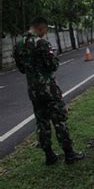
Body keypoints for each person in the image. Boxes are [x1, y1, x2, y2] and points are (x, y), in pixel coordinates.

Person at [13, 17, 85, 165]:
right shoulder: (42, 43)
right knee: (59, 120)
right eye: (45, 30)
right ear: (40, 28)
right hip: (48, 89)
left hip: (33, 90)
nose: (45, 33)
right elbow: (53, 65)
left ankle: (49, 155)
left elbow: (21, 69)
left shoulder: (18, 45)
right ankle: (69, 154)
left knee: (42, 121)